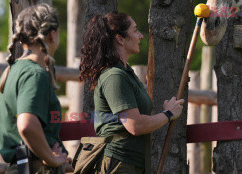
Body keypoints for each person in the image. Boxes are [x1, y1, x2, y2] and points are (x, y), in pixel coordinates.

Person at [79, 12, 184, 173]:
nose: (141, 36)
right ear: (120, 39)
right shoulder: (114, 76)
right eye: (135, 31)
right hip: (118, 164)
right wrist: (168, 114)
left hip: (129, 163)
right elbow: (135, 125)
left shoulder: (126, 72)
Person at [0, 3, 69, 173]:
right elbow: (26, 125)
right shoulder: (34, 74)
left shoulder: (12, 70)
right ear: (53, 35)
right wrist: (51, 159)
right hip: (34, 168)